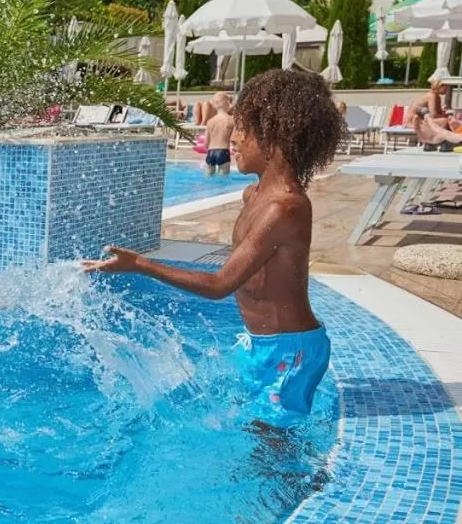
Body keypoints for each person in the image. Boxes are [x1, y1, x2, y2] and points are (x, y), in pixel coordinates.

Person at [85, 70, 346, 428]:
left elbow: (220, 284)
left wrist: (142, 265)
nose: (233, 138)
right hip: (258, 343)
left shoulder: (285, 208)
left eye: (243, 129)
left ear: (275, 136)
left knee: (271, 442)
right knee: (237, 416)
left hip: (291, 351)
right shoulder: (253, 195)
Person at [204, 97, 235, 176]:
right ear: (228, 104)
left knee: (208, 177)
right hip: (223, 151)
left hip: (210, 152)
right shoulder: (231, 120)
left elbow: (206, 143)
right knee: (223, 179)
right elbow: (234, 139)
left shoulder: (210, 121)